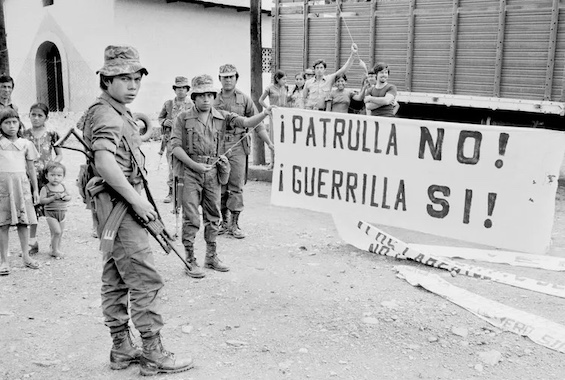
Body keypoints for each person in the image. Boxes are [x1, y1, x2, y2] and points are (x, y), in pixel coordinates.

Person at [82, 45, 193, 375]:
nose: (132, 85)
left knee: (116, 276)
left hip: (113, 206)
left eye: (136, 78)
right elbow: (104, 162)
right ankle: (152, 353)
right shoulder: (105, 113)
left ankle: (122, 349)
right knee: (145, 278)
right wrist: (137, 199)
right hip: (120, 205)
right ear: (105, 80)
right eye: (123, 78)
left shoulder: (116, 111)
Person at [171, 74, 275, 278]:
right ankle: (190, 259)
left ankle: (211, 256)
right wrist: (194, 165)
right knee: (191, 218)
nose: (206, 99)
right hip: (191, 173)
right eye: (201, 95)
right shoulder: (183, 118)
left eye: (209, 94)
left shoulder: (222, 116)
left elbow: (246, 122)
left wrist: (264, 114)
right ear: (194, 97)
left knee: (214, 216)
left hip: (212, 173)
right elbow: (175, 147)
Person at [214, 63, 274, 239]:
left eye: (231, 76)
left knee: (236, 185)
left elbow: (257, 123)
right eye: (224, 77)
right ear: (220, 79)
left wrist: (269, 143)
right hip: (218, 146)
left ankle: (234, 223)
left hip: (238, 146)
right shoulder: (213, 99)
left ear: (236, 78)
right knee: (220, 186)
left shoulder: (244, 99)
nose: (228, 80)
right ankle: (223, 222)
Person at [0, 108, 40, 275]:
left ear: (19, 124)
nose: (11, 126)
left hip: (21, 186)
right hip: (2, 187)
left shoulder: (26, 144)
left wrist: (36, 190)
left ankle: (26, 256)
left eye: (14, 122)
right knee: (3, 223)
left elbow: (31, 169)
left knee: (24, 222)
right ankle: (4, 260)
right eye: (7, 123)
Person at [22, 102, 63, 255]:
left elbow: (59, 154)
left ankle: (55, 244)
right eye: (33, 115)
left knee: (52, 209)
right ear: (29, 115)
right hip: (30, 178)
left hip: (48, 178)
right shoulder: (24, 135)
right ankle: (32, 242)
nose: (36, 118)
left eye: (40, 115)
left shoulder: (52, 134)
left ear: (46, 117)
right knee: (32, 209)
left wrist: (52, 165)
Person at [157, 76, 193, 203]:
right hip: (171, 141)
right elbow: (160, 118)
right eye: (178, 88)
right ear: (175, 89)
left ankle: (185, 194)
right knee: (172, 166)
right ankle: (171, 193)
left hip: (186, 140)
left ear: (187, 90)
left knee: (187, 166)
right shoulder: (169, 104)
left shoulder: (192, 104)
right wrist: (165, 122)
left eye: (183, 88)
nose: (181, 90)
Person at [303, 43, 358, 110]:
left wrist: (352, 55)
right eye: (317, 68)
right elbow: (304, 98)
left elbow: (343, 70)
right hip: (310, 110)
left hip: (322, 111)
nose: (319, 70)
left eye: (321, 68)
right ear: (314, 70)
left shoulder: (329, 79)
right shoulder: (308, 82)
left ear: (324, 70)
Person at [39, 161, 71, 259]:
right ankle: (54, 251)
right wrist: (52, 198)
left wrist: (66, 197)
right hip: (51, 214)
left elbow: (69, 196)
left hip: (62, 213)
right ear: (46, 176)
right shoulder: (46, 188)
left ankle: (55, 248)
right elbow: (42, 200)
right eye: (52, 175)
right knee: (56, 232)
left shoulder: (63, 187)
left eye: (59, 175)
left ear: (63, 176)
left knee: (59, 233)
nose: (55, 177)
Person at [259, 69, 287, 168]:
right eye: (283, 79)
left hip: (284, 116)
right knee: (273, 138)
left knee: (283, 137)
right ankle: (272, 161)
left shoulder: (285, 88)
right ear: (277, 79)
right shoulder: (270, 88)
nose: (285, 81)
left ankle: (282, 160)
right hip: (273, 116)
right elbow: (261, 100)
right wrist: (268, 108)